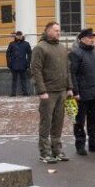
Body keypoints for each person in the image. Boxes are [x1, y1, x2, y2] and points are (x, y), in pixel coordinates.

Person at [31, 21, 73, 163]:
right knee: (46, 122)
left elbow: (67, 70)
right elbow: (36, 70)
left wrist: (69, 88)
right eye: (56, 30)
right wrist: (42, 90)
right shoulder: (40, 48)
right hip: (48, 92)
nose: (58, 33)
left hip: (61, 91)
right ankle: (45, 152)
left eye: (59, 30)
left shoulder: (62, 48)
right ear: (47, 31)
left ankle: (57, 150)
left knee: (58, 122)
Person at [70, 28, 95, 154]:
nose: (92, 39)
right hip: (82, 94)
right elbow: (72, 74)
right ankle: (80, 145)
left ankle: (93, 143)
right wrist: (75, 92)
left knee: (94, 120)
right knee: (80, 121)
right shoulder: (75, 53)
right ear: (82, 39)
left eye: (93, 37)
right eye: (89, 37)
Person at [6, 30, 32, 96]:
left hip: (23, 64)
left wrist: (28, 63)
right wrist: (9, 63)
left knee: (23, 79)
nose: (19, 37)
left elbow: (30, 53)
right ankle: (13, 93)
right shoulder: (12, 44)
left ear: (22, 36)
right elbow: (8, 53)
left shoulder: (26, 44)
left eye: (20, 35)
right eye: (17, 35)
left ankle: (25, 92)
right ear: (16, 36)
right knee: (14, 79)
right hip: (14, 64)